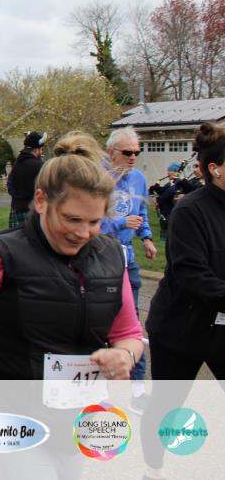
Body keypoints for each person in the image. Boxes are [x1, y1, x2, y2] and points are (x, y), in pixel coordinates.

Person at [0, 132, 143, 478]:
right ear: (41, 200)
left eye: (94, 222)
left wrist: (124, 355)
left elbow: (129, 332)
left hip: (77, 417)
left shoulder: (111, 256)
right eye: (72, 219)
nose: (83, 233)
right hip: (5, 411)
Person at [141, 121, 225, 480]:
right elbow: (193, 276)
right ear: (214, 168)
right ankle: (153, 470)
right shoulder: (190, 211)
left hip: (222, 326)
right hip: (180, 327)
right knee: (167, 405)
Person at [101, 126, 157, 414]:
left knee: (132, 324)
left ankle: (137, 389)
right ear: (112, 152)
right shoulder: (97, 177)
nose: (133, 157)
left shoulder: (138, 179)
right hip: (100, 256)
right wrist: (120, 224)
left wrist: (146, 237)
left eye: (137, 152)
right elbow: (89, 221)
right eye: (127, 152)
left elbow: (141, 213)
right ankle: (98, 390)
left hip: (127, 257)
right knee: (98, 322)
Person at [7, 131, 46, 229]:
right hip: (31, 210)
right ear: (36, 150)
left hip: (16, 207)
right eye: (41, 149)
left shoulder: (18, 163)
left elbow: (10, 184)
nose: (42, 152)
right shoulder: (39, 165)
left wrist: (17, 196)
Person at [148, 161, 184, 243]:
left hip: (171, 213)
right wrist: (155, 187)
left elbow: (167, 194)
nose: (168, 172)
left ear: (176, 172)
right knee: (164, 239)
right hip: (165, 213)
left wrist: (157, 200)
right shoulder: (170, 183)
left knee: (169, 239)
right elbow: (163, 191)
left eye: (170, 170)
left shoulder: (178, 183)